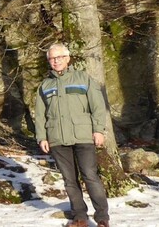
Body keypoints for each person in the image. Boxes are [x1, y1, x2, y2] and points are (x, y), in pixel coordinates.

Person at [35, 43, 110, 227]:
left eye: (60, 57)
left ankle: (102, 218)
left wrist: (99, 130)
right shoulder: (45, 85)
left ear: (68, 59)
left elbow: (98, 106)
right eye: (52, 58)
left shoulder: (83, 78)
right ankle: (80, 218)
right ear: (49, 61)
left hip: (84, 136)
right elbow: (39, 114)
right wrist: (42, 137)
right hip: (58, 139)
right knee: (69, 180)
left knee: (90, 176)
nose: (56, 61)